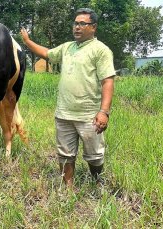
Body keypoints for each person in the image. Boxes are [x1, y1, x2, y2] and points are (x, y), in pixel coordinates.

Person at [20, 8, 115, 188]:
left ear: (93, 27)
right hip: (64, 113)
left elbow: (107, 82)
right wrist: (27, 41)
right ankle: (68, 189)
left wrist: (104, 112)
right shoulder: (67, 47)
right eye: (75, 23)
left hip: (89, 115)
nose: (77, 27)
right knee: (65, 154)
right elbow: (46, 54)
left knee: (94, 155)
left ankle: (96, 182)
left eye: (82, 24)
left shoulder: (101, 50)